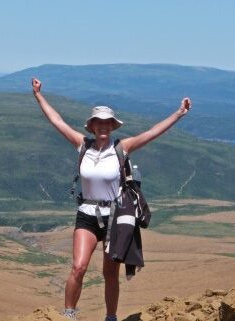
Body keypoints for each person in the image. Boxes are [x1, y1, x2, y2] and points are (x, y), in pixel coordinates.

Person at [31, 77, 192, 321]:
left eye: (108, 123)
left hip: (115, 218)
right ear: (92, 126)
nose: (104, 127)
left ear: (112, 126)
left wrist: (179, 113)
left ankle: (111, 317)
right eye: (99, 123)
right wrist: (38, 95)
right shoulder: (82, 145)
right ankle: (68, 315)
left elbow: (152, 133)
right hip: (87, 214)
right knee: (79, 267)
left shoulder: (122, 148)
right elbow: (57, 121)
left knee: (109, 273)